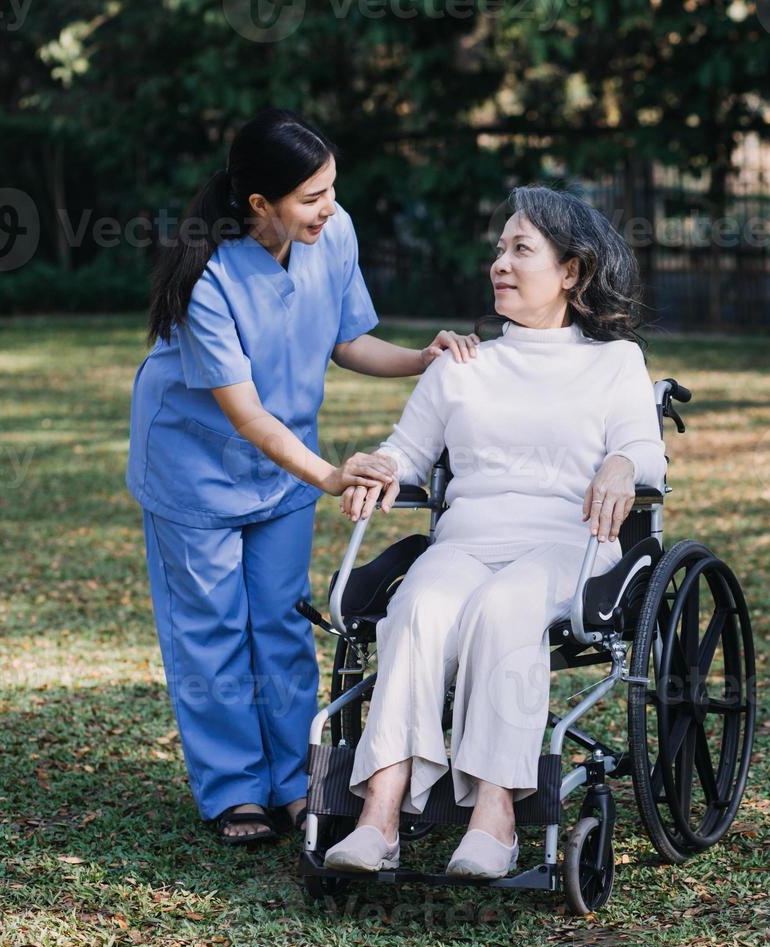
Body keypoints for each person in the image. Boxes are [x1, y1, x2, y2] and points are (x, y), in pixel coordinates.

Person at [126, 108, 479, 845]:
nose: (330, 207)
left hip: (287, 468)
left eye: (332, 189)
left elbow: (349, 340)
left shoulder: (333, 234)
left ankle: (294, 782)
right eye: (312, 196)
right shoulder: (210, 278)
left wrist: (422, 357)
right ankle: (232, 790)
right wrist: (329, 475)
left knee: (283, 624)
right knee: (213, 631)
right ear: (261, 205)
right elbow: (248, 416)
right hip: (198, 468)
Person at [321, 185, 665, 878]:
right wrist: (378, 467)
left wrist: (623, 463)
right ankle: (380, 814)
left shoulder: (614, 361)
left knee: (506, 609)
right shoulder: (463, 363)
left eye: (520, 250)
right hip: (469, 540)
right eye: (499, 250)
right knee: (416, 607)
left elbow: (644, 449)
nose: (499, 264)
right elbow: (406, 449)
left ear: (572, 271)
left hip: (566, 545)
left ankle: (496, 815)